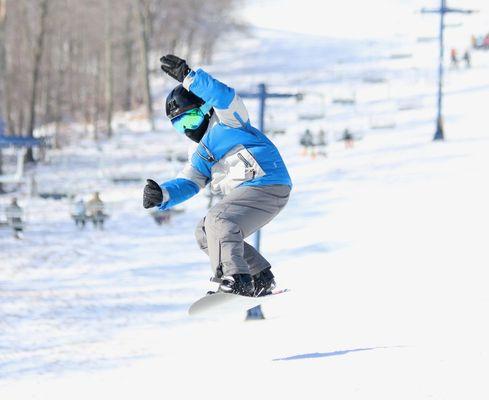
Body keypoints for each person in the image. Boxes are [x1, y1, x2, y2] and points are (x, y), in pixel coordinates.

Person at [143, 54, 292, 297]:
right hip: (250, 195)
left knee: (217, 218)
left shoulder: (229, 120)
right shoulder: (200, 153)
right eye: (180, 125)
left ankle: (235, 279)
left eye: (190, 119)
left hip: (266, 181)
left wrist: (189, 78)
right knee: (205, 232)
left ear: (205, 109)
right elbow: (189, 181)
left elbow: (223, 96)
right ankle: (258, 276)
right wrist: (163, 194)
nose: (188, 129)